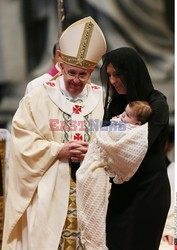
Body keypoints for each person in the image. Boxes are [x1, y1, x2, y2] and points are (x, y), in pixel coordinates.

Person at [2, 16, 107, 250]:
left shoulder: (101, 98)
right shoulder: (38, 96)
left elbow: (112, 139)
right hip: (50, 189)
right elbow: (22, 139)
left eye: (83, 74)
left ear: (91, 71)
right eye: (71, 73)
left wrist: (94, 151)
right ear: (60, 65)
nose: (76, 80)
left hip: (90, 191)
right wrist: (59, 149)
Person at [100, 47, 170, 250]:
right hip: (122, 193)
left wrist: (111, 141)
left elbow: (139, 145)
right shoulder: (115, 105)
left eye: (118, 74)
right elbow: (103, 138)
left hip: (149, 191)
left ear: (132, 72)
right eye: (109, 75)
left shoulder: (157, 104)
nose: (113, 81)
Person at [76, 100, 152, 249]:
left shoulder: (134, 133)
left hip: (101, 170)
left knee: (96, 213)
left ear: (137, 123)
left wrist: (112, 127)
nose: (122, 116)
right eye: (124, 113)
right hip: (92, 165)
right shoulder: (122, 123)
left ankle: (95, 244)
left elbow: (118, 144)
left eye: (127, 116)